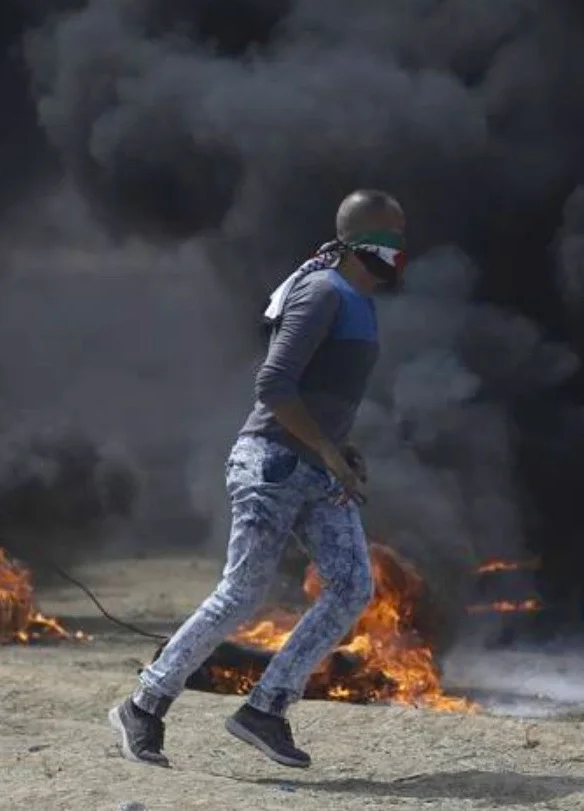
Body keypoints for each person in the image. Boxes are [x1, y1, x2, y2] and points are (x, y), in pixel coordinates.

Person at [109, 190, 407, 769]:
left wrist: (339, 448)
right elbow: (273, 386)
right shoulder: (322, 291)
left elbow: (319, 394)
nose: (401, 249)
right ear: (363, 239)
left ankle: (265, 709)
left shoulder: (359, 302)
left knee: (352, 586)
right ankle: (142, 707)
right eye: (394, 236)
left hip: (315, 467)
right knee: (242, 592)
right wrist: (328, 450)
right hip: (272, 465)